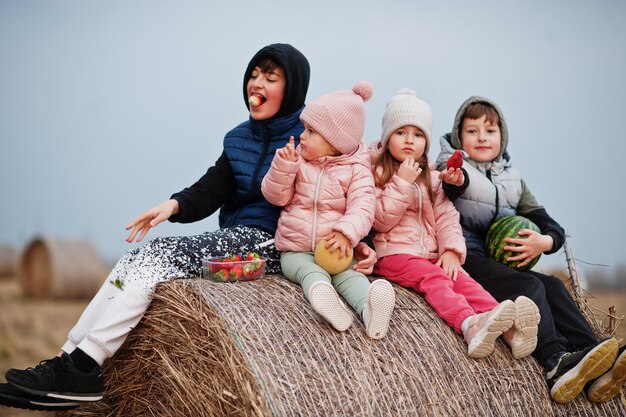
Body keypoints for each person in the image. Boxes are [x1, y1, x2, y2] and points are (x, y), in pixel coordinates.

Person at [0, 43, 377, 412]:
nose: (256, 83)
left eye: (270, 77)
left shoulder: (313, 136)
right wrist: (172, 205)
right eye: (254, 74)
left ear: (292, 88)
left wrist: (361, 241)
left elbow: (351, 184)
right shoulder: (238, 139)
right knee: (133, 261)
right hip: (232, 238)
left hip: (269, 246)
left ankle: (84, 366)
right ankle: (68, 358)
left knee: (157, 261)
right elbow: (210, 188)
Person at [435, 95, 624, 403]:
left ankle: (595, 355)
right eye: (472, 131)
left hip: (502, 264)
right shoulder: (452, 167)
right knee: (529, 284)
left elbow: (550, 226)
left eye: (490, 130)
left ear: (502, 136)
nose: (482, 137)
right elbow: (450, 186)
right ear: (459, 136)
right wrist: (452, 180)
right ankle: (554, 360)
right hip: (467, 261)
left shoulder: (513, 180)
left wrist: (544, 241)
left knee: (551, 284)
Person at [370, 89, 541, 359]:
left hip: (430, 254)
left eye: (417, 135)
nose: (409, 141)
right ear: (387, 137)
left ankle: (507, 327)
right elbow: (379, 220)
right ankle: (469, 324)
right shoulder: (378, 173)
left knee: (463, 279)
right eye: (400, 133)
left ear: (425, 142)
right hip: (394, 254)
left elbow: (447, 216)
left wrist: (450, 250)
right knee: (436, 279)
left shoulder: (432, 177)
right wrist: (401, 183)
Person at [261, 81, 396, 339]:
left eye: (312, 131)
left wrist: (346, 233)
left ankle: (369, 309)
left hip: (335, 248)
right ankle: (324, 296)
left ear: (336, 143)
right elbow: (275, 196)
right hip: (296, 248)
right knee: (310, 272)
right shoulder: (298, 161)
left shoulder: (357, 170)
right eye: (305, 128)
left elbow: (363, 207)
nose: (302, 135)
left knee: (351, 277)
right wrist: (283, 168)